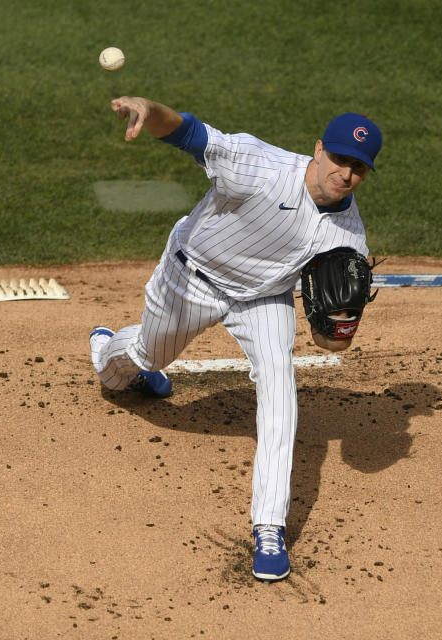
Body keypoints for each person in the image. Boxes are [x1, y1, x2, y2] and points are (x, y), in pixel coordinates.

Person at [89, 95, 382, 582]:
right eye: (339, 159)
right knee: (147, 354)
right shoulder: (260, 165)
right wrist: (148, 108)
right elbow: (188, 133)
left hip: (264, 300)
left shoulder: (349, 237)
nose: (346, 174)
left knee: (280, 391)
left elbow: (332, 345)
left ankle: (269, 526)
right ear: (318, 150)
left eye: (359, 168)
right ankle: (107, 353)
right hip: (194, 276)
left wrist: (337, 327)